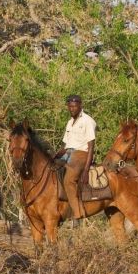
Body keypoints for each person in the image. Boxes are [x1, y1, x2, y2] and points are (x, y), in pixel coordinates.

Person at [55, 94, 95, 222]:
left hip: (81, 153)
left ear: (80, 106)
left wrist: (86, 170)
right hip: (68, 153)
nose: (72, 109)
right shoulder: (69, 122)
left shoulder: (87, 121)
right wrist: (53, 156)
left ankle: (78, 214)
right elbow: (65, 146)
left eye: (74, 106)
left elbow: (91, 146)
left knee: (68, 180)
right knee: (50, 169)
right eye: (70, 106)